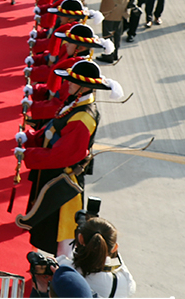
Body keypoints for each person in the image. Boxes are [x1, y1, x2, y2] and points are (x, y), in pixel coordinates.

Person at [15, 60, 113, 255]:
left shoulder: (83, 117)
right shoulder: (74, 104)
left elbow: (62, 155)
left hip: (63, 180)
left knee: (64, 237)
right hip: (54, 175)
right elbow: (54, 128)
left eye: (72, 82)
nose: (68, 84)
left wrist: (29, 154)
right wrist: (31, 138)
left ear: (84, 87)